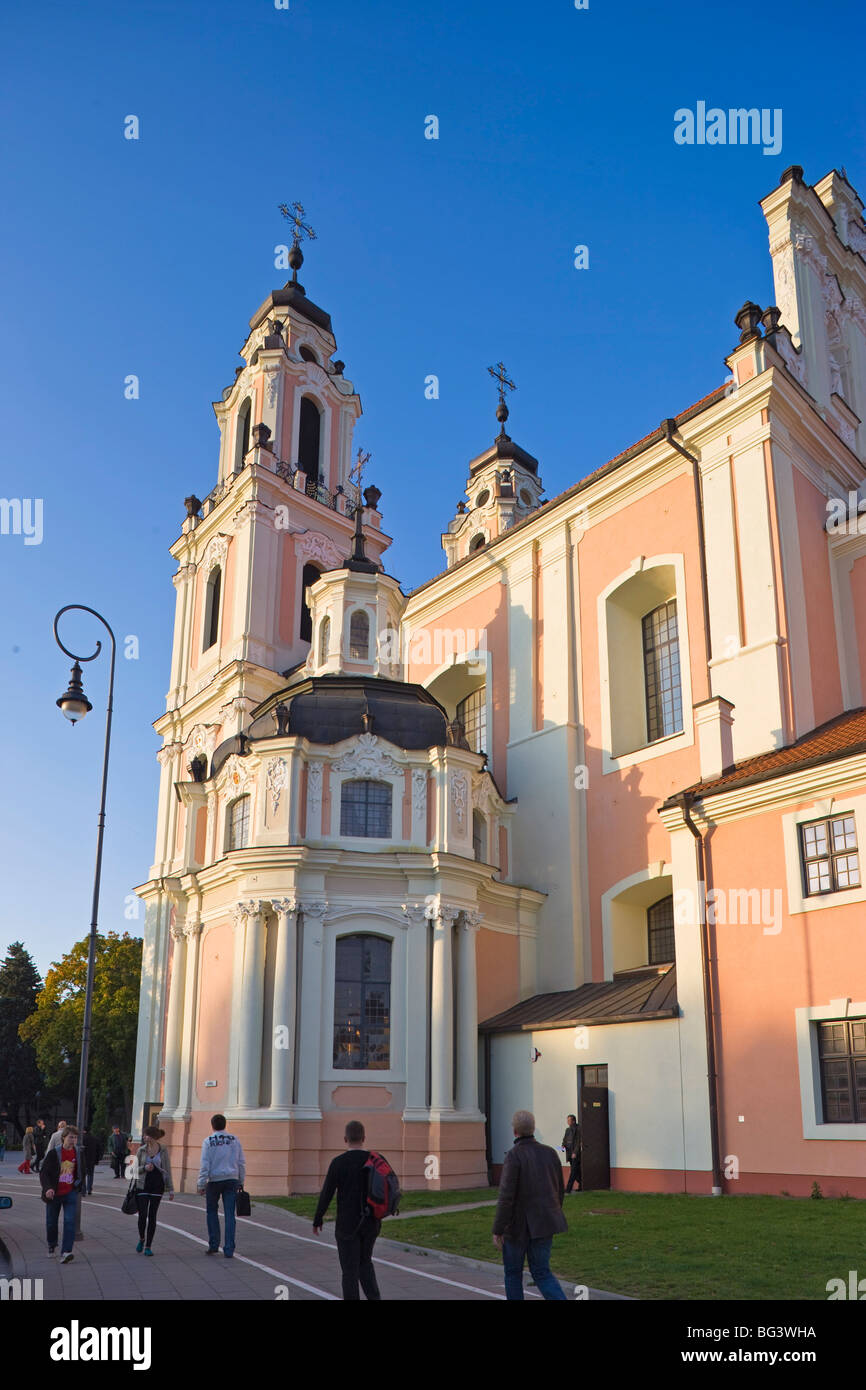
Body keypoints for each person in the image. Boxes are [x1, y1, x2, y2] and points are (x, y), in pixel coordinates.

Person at [492, 1109, 568, 1300]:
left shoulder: (513, 1156)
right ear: (533, 1129)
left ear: (514, 1131)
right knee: (542, 1272)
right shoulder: (550, 1153)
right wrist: (554, 1210)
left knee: (513, 1275)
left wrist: (498, 1229)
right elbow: (559, 1189)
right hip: (545, 1222)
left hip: (518, 1227)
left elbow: (506, 1197)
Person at [312, 1120, 383, 1301]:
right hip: (371, 1222)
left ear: (345, 1139)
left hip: (347, 1224)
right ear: (364, 1138)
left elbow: (327, 1193)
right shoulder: (375, 1160)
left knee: (349, 1271)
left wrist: (318, 1219)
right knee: (365, 1263)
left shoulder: (338, 1163)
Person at [197, 1114, 246, 1258]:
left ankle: (213, 1245)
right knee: (230, 1214)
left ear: (212, 1125)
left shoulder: (208, 1141)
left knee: (211, 1211)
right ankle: (229, 1248)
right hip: (232, 1179)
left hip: (214, 1180)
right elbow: (241, 1162)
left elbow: (205, 1164)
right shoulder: (235, 1140)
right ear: (225, 1124)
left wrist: (201, 1183)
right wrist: (241, 1180)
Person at [40, 1124, 82, 1263]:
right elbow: (44, 1172)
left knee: (70, 1222)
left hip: (70, 1193)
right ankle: (52, 1245)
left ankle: (66, 1252)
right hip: (55, 1193)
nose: (73, 1140)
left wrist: (77, 1185)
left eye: (75, 1138)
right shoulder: (54, 1153)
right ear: (64, 1138)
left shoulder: (78, 1153)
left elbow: (82, 1171)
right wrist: (48, 1188)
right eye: (71, 1137)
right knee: (51, 1222)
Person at [133, 1125, 174, 1256]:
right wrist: (145, 1168)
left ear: (153, 1137)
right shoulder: (141, 1150)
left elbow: (167, 1169)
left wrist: (171, 1189)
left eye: (146, 1135)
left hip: (158, 1185)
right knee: (143, 1214)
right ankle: (141, 1238)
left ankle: (148, 1245)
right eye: (144, 1135)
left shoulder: (163, 1150)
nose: (144, 1137)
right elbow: (134, 1170)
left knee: (152, 1216)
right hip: (143, 1185)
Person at [562, 1113, 581, 1193]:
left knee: (573, 1171)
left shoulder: (578, 1128)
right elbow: (565, 1140)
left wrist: (575, 1152)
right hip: (569, 1153)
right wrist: (562, 1146)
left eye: (569, 1120)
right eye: (567, 1120)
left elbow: (578, 1142)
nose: (568, 1122)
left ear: (573, 1121)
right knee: (576, 1172)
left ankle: (568, 1189)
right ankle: (582, 1185)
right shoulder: (567, 1130)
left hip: (575, 1154)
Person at [82, 1128, 100, 1196]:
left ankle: (83, 1190)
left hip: (83, 1159)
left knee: (83, 1175)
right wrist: (97, 1160)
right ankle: (89, 1189)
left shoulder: (82, 1139)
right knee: (90, 1174)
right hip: (92, 1160)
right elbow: (99, 1150)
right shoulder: (95, 1139)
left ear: (84, 1131)